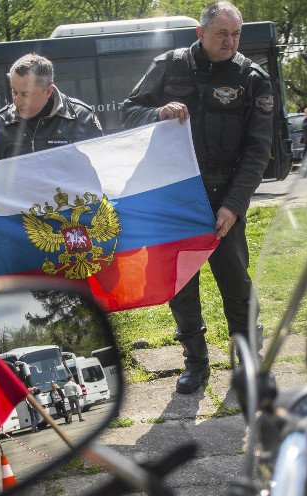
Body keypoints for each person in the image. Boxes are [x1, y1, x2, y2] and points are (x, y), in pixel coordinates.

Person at [120, 1, 273, 395]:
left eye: (236, 34)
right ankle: (195, 362)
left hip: (223, 201)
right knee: (182, 288)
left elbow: (257, 152)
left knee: (237, 286)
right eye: (222, 33)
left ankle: (249, 362)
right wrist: (157, 113)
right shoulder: (168, 66)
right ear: (200, 33)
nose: (230, 41)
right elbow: (128, 112)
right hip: (174, 202)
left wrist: (233, 205)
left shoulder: (251, 78)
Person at [0, 53, 103, 163]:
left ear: (48, 91)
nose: (17, 101)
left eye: (26, 94)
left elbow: (103, 169)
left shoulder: (84, 118)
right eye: (14, 92)